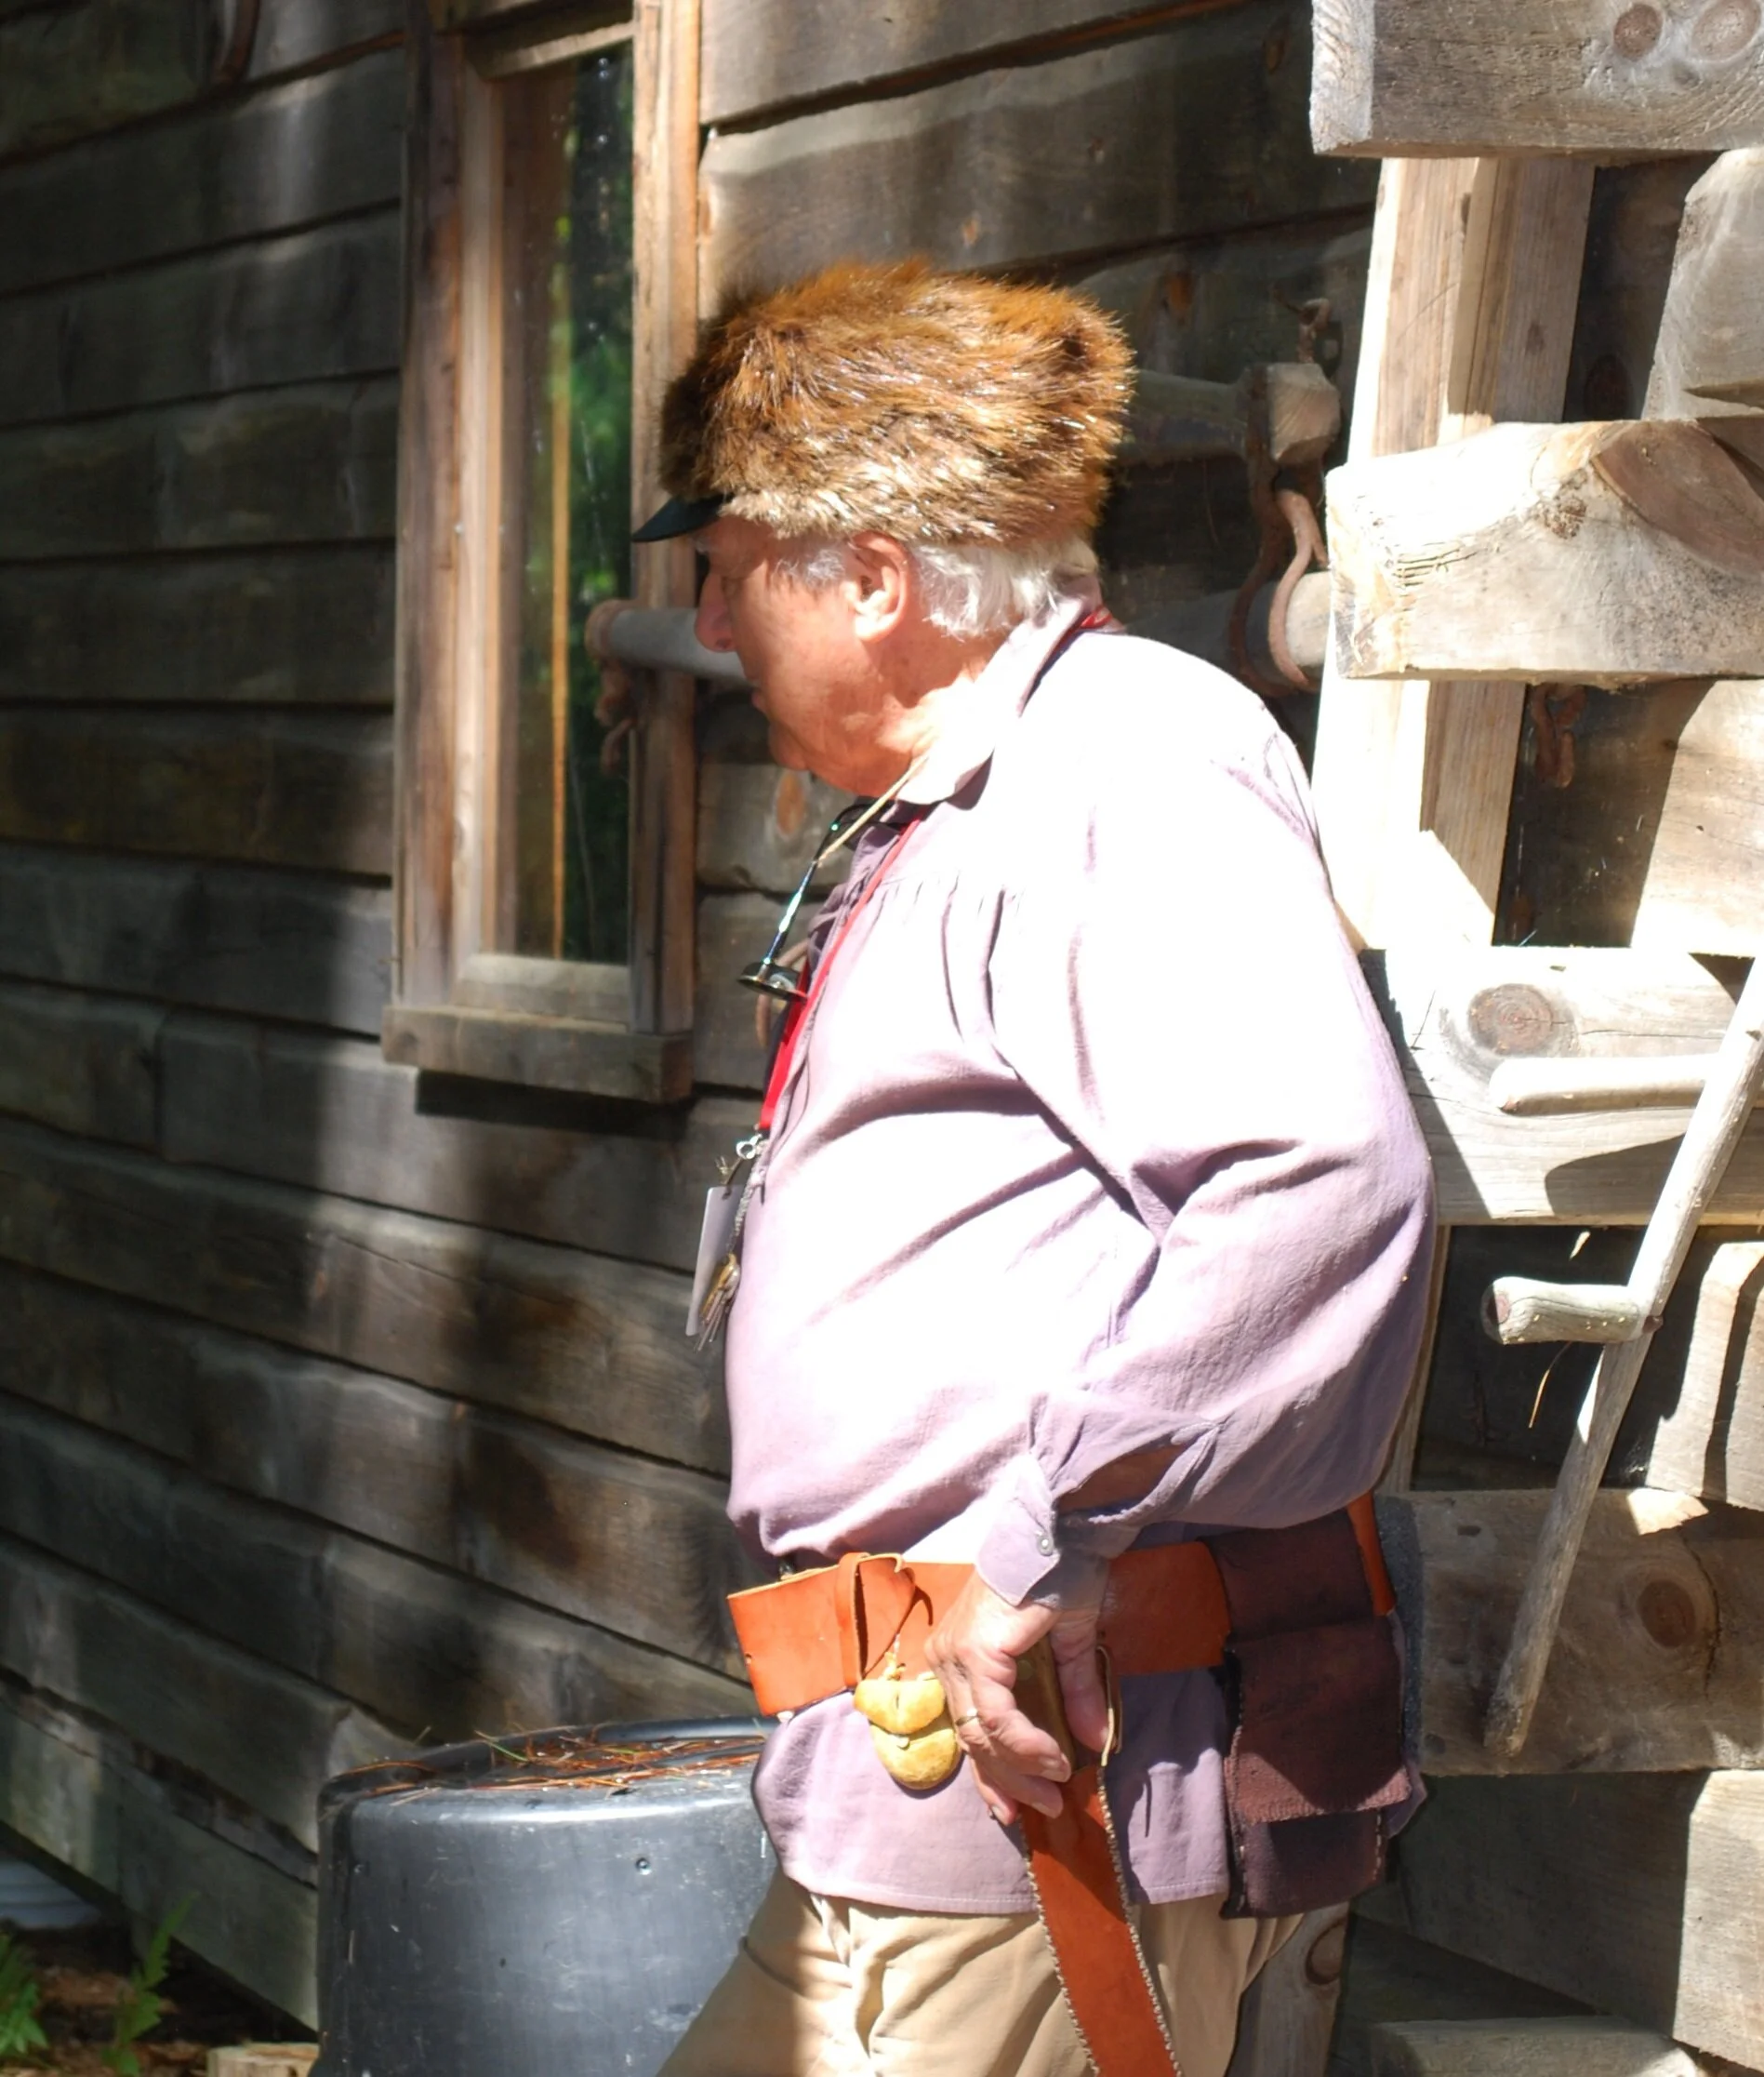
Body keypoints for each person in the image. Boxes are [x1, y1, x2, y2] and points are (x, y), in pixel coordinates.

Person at [639, 261, 1435, 2077]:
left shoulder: (1125, 767)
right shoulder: (987, 797)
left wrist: (1040, 1527)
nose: (701, 612)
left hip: (1034, 1796)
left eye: (731, 556)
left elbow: (1319, 1187)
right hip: (922, 1792)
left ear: (877, 577)